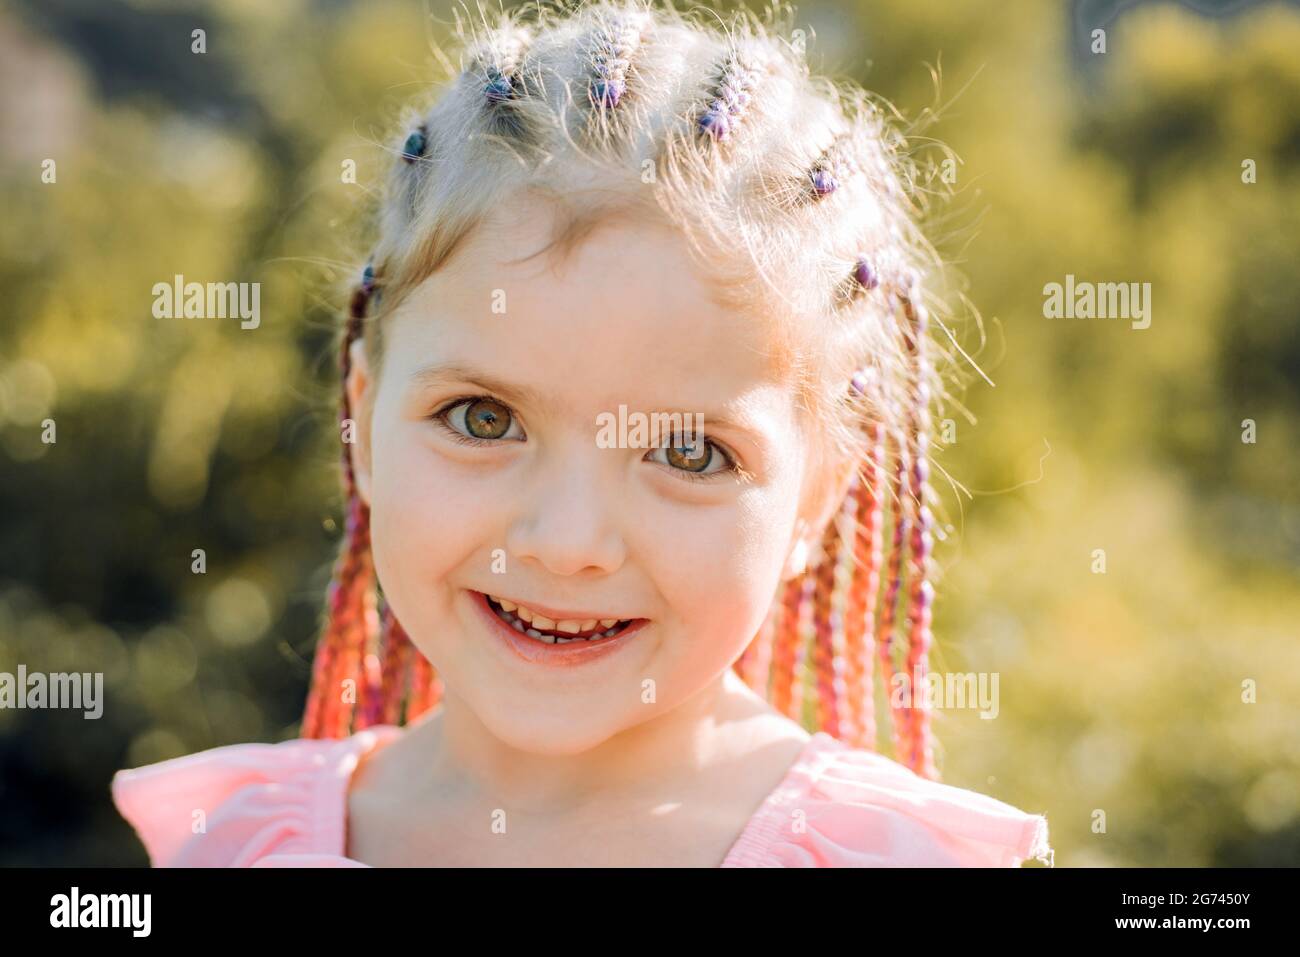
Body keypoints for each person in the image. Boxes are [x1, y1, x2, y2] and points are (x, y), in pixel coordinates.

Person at [112, 0, 1053, 868]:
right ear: (360, 420)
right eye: (483, 420)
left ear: (817, 498)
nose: (565, 544)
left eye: (689, 452)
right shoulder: (241, 844)